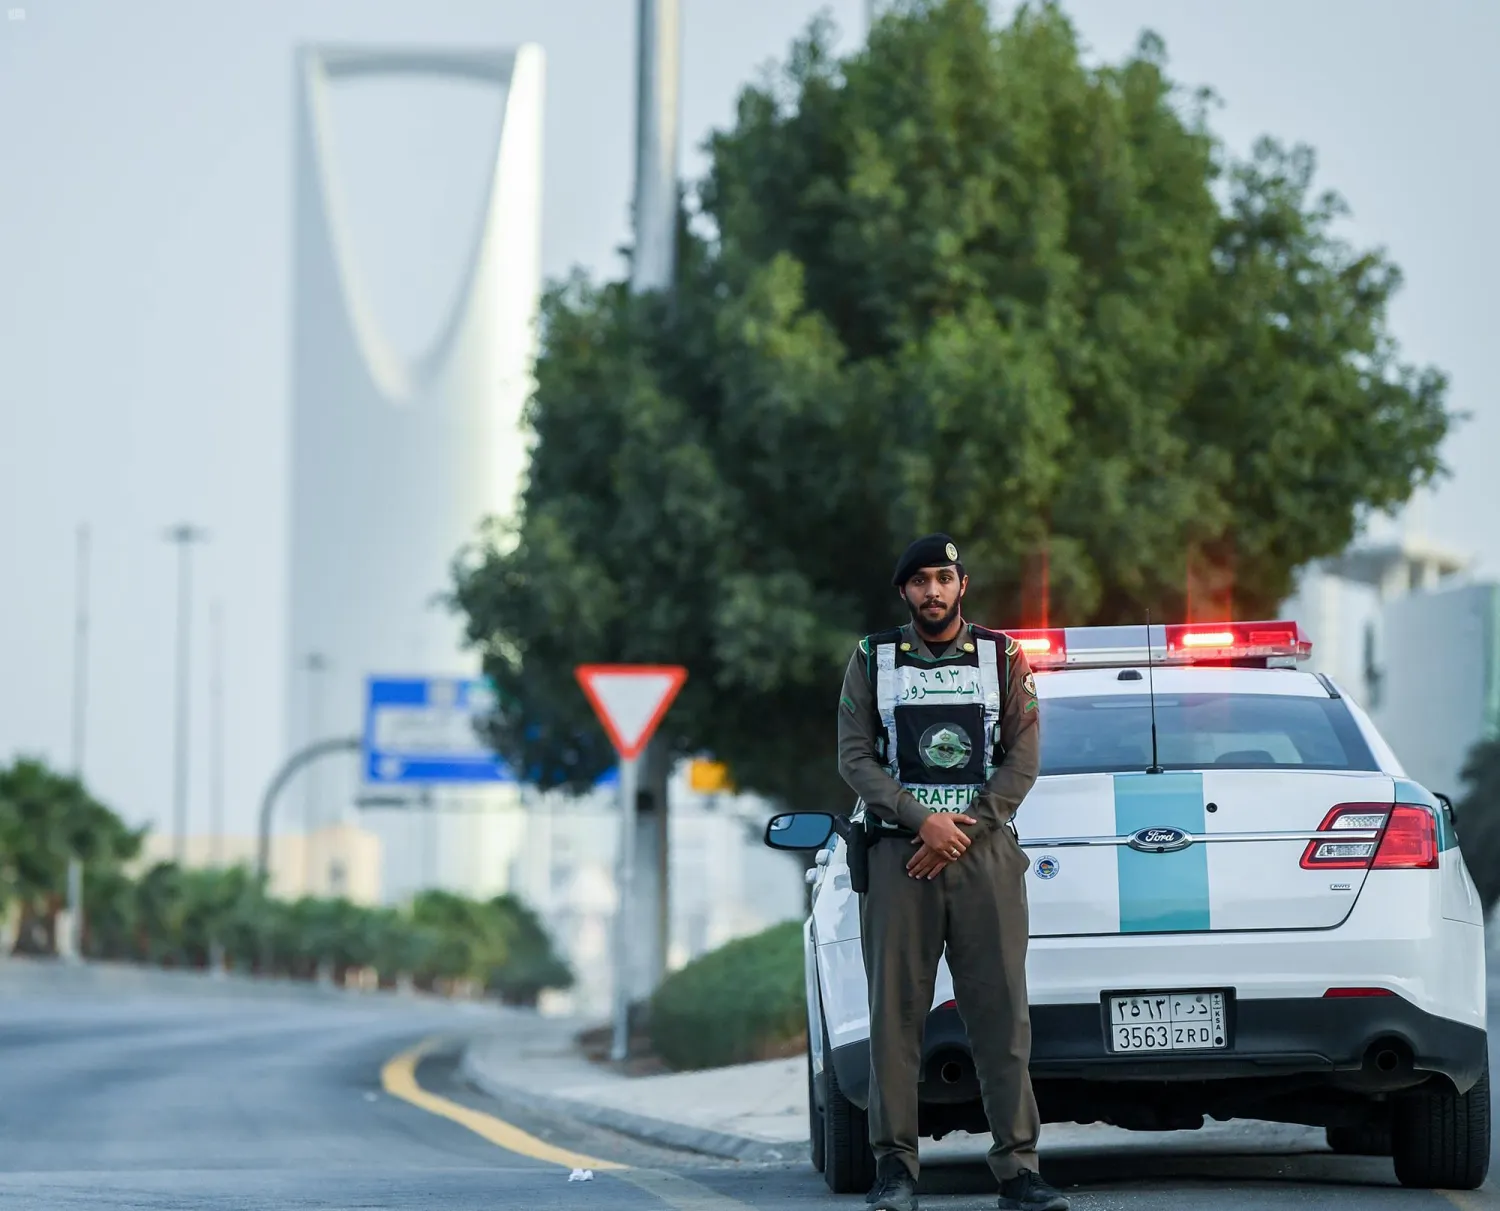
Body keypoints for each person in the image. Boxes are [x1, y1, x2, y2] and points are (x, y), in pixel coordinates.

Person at [836, 533, 1067, 1211]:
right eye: (919, 581)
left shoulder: (1004, 656)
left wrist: (962, 828)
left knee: (1001, 1017)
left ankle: (1018, 1171)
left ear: (962, 584)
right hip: (897, 855)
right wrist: (921, 819)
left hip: (984, 854)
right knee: (895, 1018)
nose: (932, 591)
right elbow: (855, 757)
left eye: (944, 578)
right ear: (904, 592)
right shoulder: (871, 658)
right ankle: (896, 1171)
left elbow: (1023, 756)